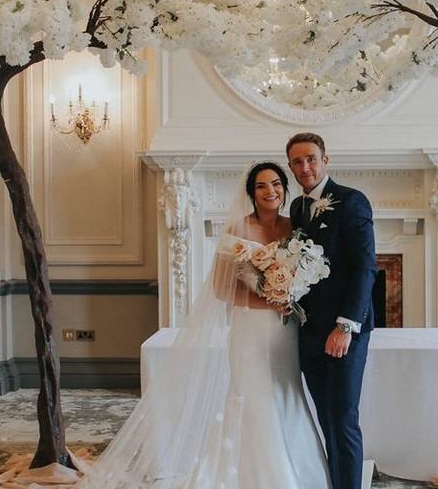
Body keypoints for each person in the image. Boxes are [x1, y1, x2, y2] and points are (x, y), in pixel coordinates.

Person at [79, 161, 329, 489]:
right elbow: (222, 289)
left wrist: (291, 292)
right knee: (254, 396)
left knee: (287, 392)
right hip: (251, 329)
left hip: (284, 330)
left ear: (285, 188)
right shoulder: (238, 231)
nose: (271, 191)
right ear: (251, 193)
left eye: (277, 184)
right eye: (262, 186)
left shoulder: (294, 227)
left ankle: (303, 472)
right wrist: (271, 298)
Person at [287, 132, 377, 489]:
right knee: (325, 418)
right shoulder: (296, 208)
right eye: (297, 161)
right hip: (308, 331)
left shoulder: (352, 201)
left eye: (311, 158)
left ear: (326, 160)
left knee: (342, 420)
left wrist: (345, 327)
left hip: (344, 332)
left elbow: (365, 267)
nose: (305, 167)